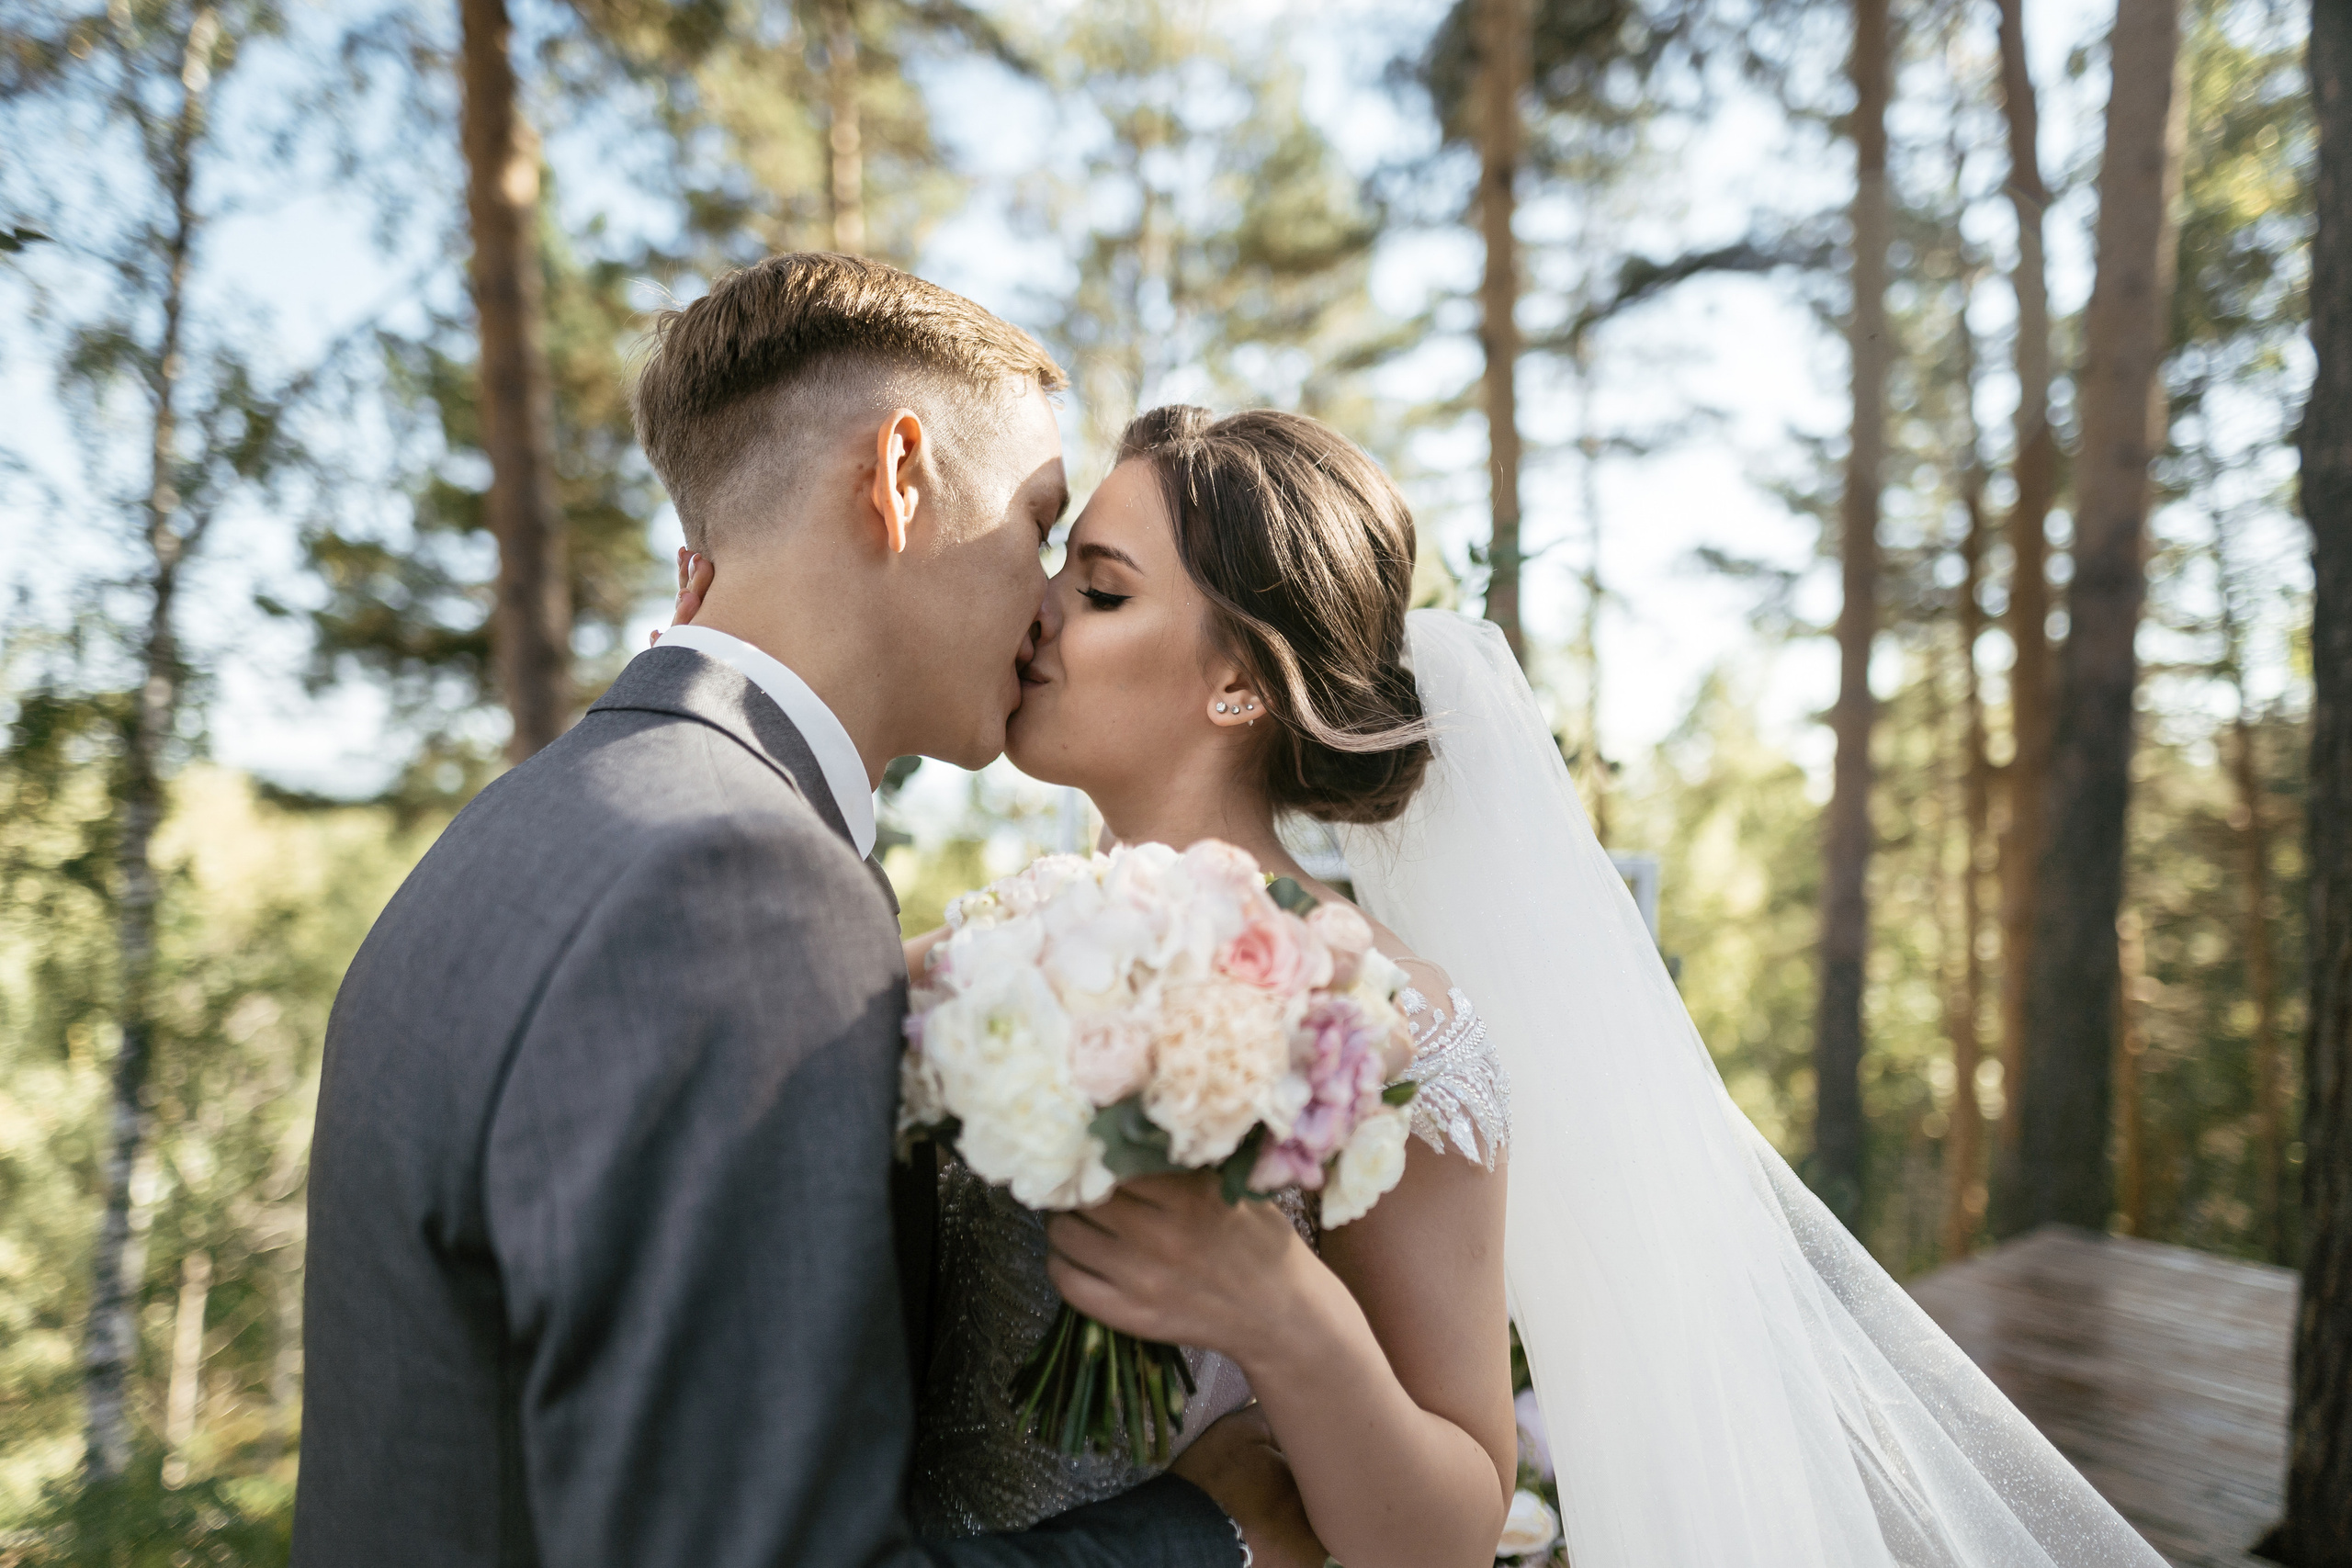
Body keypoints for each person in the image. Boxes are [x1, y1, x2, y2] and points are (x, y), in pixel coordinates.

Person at [801, 402, 2171, 1568]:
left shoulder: (1385, 1029)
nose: (1037, 615)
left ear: (1237, 687)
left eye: (1101, 592)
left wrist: (1284, 1314)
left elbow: (1455, 1525)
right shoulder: (979, 959)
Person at [291, 255, 1315, 1568]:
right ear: (898, 478)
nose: (1046, 596)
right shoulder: (740, 886)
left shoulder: (517, 832)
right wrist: (1209, 1527)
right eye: (1037, 524)